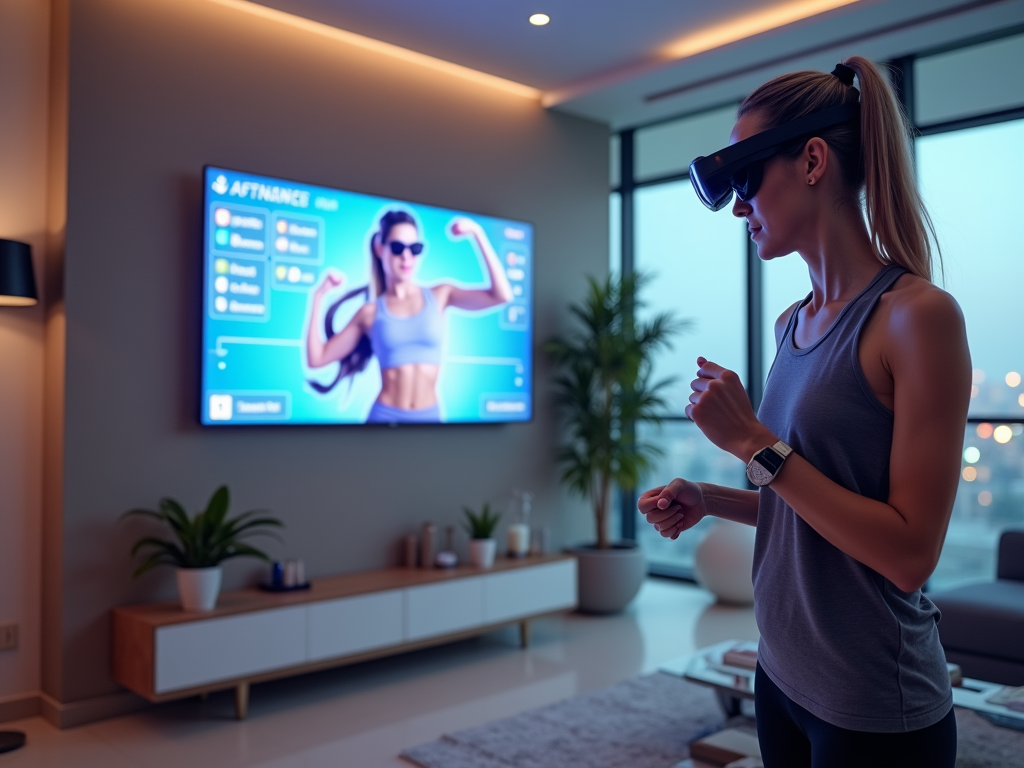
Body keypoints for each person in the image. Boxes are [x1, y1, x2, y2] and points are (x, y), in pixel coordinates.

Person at [638, 58, 970, 767]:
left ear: (813, 160)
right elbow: (812, 509)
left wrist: (755, 444)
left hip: (875, 703)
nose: (738, 207)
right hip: (784, 674)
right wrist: (711, 498)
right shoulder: (793, 323)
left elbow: (909, 555)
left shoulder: (917, 319)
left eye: (747, 178)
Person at [305, 209, 512, 423]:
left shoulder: (440, 295)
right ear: (379, 249)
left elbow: (501, 296)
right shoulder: (370, 313)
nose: (407, 256)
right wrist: (318, 296)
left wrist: (477, 233)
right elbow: (317, 359)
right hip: (384, 419)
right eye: (397, 247)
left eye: (415, 248)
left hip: (430, 419)